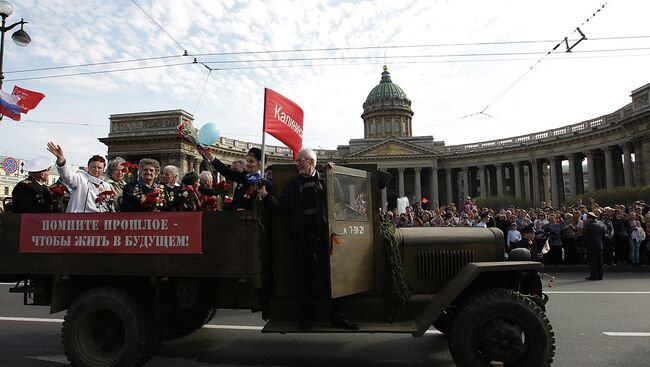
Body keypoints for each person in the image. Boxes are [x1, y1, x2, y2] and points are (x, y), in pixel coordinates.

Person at [259, 148, 357, 331]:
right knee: (303, 280)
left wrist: (332, 174)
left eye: (300, 161)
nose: (297, 165)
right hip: (301, 239)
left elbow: (339, 200)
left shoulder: (324, 180)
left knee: (333, 279)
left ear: (310, 162)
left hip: (323, 238)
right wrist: (265, 196)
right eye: (297, 162)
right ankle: (305, 319)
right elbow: (280, 208)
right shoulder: (292, 184)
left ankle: (337, 317)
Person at [47, 142, 114, 213]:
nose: (96, 170)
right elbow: (67, 176)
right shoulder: (80, 178)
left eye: (99, 168)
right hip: (78, 220)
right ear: (88, 167)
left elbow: (110, 206)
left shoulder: (106, 186)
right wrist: (61, 160)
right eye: (93, 167)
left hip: (99, 221)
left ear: (103, 169)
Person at [583, 212, 605, 280]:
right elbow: (603, 237)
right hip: (600, 246)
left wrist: (585, 245)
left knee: (593, 262)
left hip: (591, 246)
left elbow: (586, 237)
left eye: (587, 218)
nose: (586, 220)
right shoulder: (601, 226)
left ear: (590, 218)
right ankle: (600, 276)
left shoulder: (589, 226)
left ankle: (593, 276)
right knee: (600, 261)